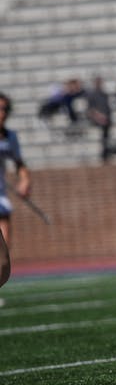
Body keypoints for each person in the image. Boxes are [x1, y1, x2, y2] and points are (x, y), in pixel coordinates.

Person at [0, 93, 31, 283]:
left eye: (4, 109)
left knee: (3, 262)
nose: (1, 113)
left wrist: (25, 181)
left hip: (0, 196)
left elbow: (20, 164)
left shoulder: (10, 137)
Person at [84, 75, 113, 162]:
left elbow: (107, 108)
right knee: (103, 136)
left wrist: (106, 117)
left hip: (105, 120)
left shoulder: (104, 94)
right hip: (96, 120)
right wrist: (99, 117)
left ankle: (106, 154)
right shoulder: (91, 95)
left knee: (106, 137)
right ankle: (104, 155)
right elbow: (90, 109)